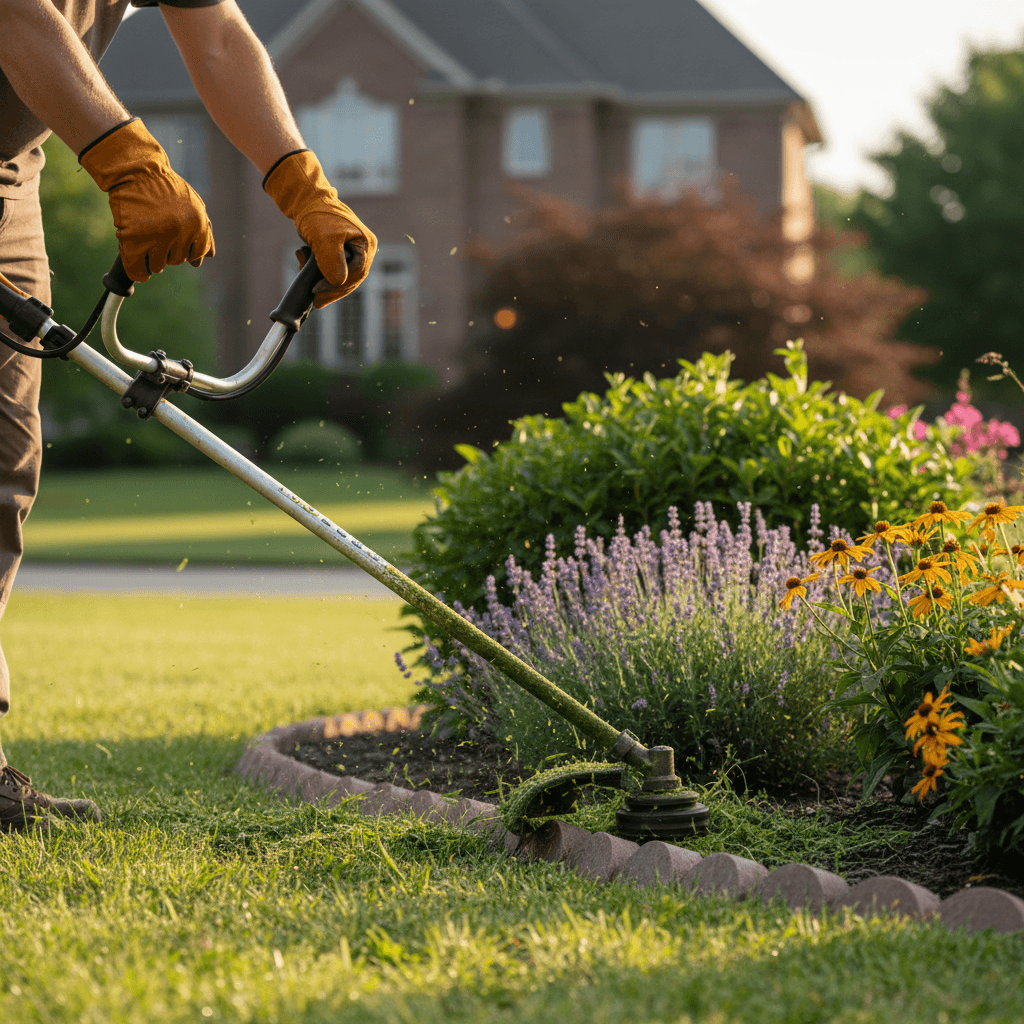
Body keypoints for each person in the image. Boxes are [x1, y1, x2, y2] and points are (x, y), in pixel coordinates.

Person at [0, 0, 377, 832]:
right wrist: (130, 162)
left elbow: (216, 35)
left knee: (1, 466)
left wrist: (301, 185)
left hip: (8, 169)